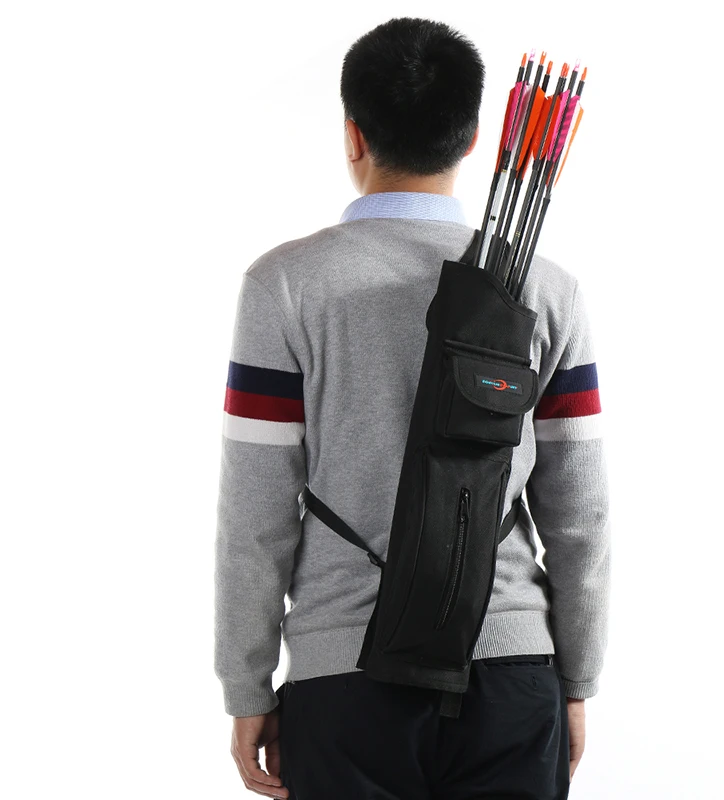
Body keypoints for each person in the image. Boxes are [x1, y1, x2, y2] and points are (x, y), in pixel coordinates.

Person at [214, 16, 611, 800]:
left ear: (353, 135)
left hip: (344, 681)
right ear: (473, 141)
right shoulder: (548, 291)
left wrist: (246, 686)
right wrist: (576, 678)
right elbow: (581, 517)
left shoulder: (283, 287)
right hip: (510, 672)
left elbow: (254, 517)